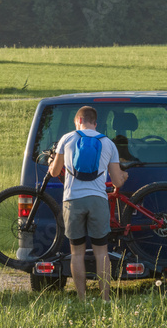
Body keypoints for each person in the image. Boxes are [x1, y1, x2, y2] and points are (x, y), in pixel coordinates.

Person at [49, 106, 128, 302]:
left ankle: (82, 299)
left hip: (73, 200)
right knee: (102, 252)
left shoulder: (67, 139)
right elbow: (117, 182)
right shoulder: (108, 143)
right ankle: (105, 299)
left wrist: (53, 162)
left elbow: (54, 172)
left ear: (78, 121)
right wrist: (124, 176)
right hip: (97, 200)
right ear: (95, 123)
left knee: (77, 252)